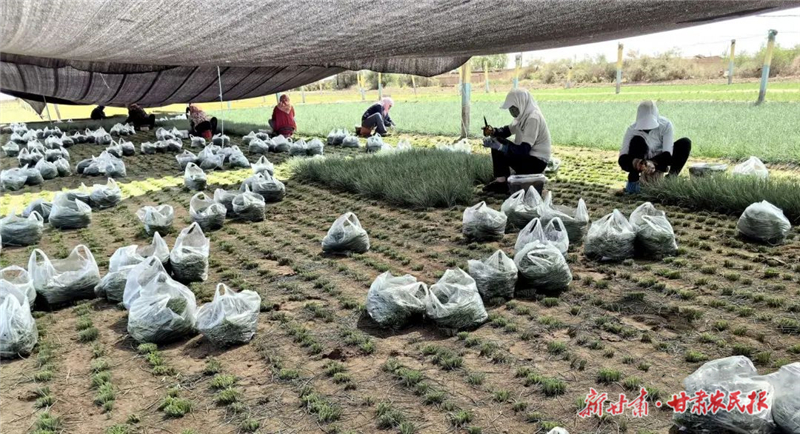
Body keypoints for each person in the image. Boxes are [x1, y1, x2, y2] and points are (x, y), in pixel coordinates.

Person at [481, 88, 551, 194]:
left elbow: (524, 150)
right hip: (528, 159)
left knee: (500, 144)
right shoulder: (522, 117)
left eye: (514, 108)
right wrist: (492, 131)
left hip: (536, 163)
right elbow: (506, 131)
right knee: (498, 140)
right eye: (510, 109)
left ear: (521, 104)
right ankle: (501, 183)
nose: (512, 112)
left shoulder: (533, 118)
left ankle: (503, 184)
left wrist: (501, 147)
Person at [618, 100, 692, 194]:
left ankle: (670, 180)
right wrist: (637, 163)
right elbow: (622, 159)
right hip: (642, 159)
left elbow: (667, 154)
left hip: (661, 160)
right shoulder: (631, 130)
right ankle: (634, 180)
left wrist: (653, 162)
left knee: (685, 143)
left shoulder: (666, 125)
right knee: (637, 140)